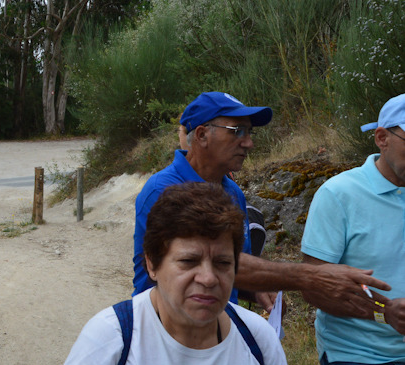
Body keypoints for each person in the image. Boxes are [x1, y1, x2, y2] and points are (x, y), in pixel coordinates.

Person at [30, 182, 302, 365]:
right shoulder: (113, 337)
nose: (208, 278)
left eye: (222, 263)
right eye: (188, 261)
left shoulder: (258, 339)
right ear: (152, 264)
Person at [133, 91, 388, 316]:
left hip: (216, 333)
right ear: (201, 135)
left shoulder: (232, 192)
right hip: (165, 333)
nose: (249, 143)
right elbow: (200, 265)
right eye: (237, 131)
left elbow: (225, 269)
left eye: (250, 133)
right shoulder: (163, 190)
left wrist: (254, 292)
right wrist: (314, 276)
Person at [300, 93, 405, 365]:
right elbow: (311, 284)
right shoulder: (339, 194)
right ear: (382, 138)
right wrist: (382, 311)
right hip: (356, 361)